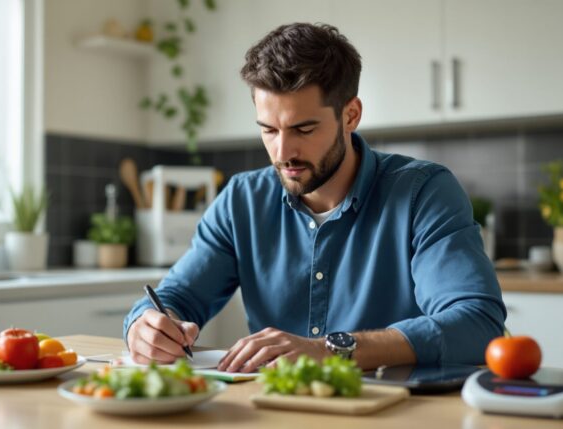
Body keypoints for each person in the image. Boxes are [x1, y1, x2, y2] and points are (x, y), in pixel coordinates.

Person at [123, 22, 506, 373]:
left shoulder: (424, 192)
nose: (283, 152)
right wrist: (147, 326)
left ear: (350, 115)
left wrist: (330, 349)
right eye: (269, 130)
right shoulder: (242, 200)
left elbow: (476, 324)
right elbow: (176, 296)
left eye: (303, 129)